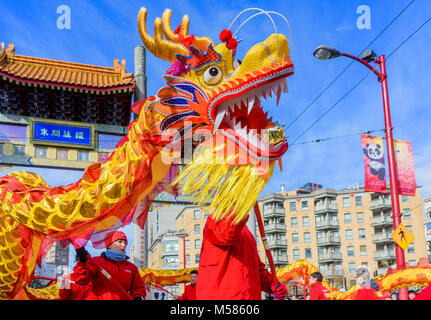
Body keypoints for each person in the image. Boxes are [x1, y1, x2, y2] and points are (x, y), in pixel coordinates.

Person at [196, 214, 287, 300]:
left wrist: (271, 284)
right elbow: (227, 233)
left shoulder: (245, 232)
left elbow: (255, 267)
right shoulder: (216, 220)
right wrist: (239, 209)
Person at [73, 231, 147, 300]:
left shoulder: (131, 268)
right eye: (120, 242)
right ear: (109, 245)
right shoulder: (96, 262)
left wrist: (138, 296)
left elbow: (138, 288)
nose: (123, 245)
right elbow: (81, 279)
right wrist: (83, 262)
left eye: (125, 243)